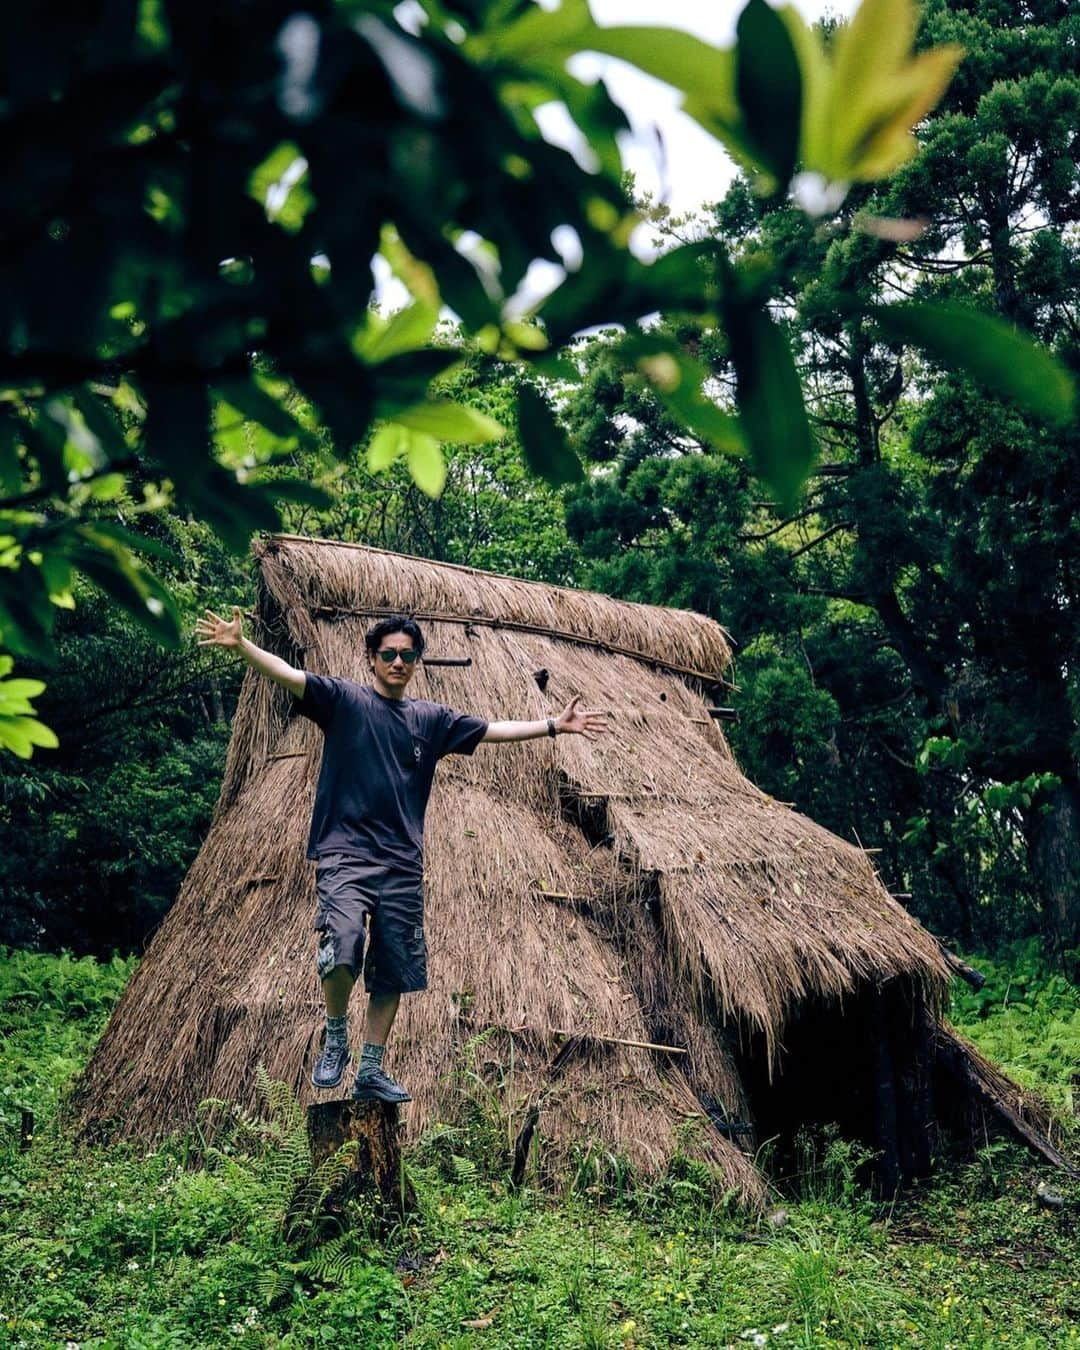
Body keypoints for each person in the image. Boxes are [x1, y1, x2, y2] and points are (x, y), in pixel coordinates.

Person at [195, 605, 609, 1104]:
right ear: (371, 658)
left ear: (416, 662)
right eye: (389, 654)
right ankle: (334, 1036)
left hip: (401, 864)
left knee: (393, 966)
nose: (398, 662)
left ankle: (371, 1068)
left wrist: (552, 726)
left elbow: (492, 731)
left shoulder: (430, 720)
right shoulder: (344, 701)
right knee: (342, 940)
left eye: (407, 655)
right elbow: (289, 674)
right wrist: (242, 647)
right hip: (344, 854)